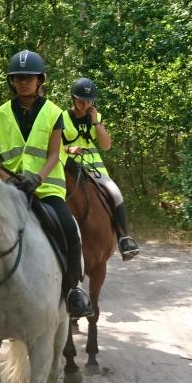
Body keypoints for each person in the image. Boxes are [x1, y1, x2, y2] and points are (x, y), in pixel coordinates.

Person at [0, 50, 90, 318]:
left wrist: (38, 177)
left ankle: (72, 290)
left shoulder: (54, 113)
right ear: (11, 81)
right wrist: (8, 178)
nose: (22, 82)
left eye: (28, 77)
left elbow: (55, 153)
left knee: (68, 228)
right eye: (17, 78)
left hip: (46, 188)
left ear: (40, 80)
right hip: (7, 189)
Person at [65, 77, 140, 260]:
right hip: (67, 165)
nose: (85, 105)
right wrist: (69, 149)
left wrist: (96, 124)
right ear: (73, 99)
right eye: (81, 101)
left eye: (89, 101)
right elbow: (52, 145)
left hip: (94, 167)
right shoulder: (61, 117)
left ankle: (124, 238)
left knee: (115, 193)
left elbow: (106, 145)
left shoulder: (96, 117)